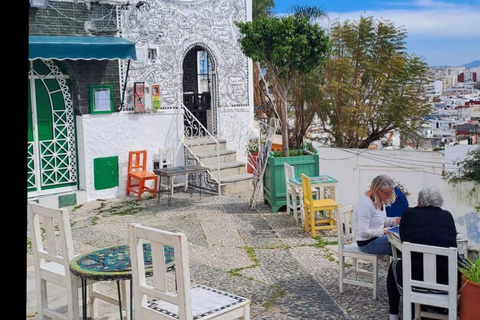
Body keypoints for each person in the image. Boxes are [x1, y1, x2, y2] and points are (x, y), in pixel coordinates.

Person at [386, 187, 459, 320]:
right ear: (439, 202)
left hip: (413, 280)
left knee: (394, 266)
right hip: (445, 282)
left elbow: (403, 238)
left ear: (419, 201)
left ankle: (393, 316)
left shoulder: (408, 214)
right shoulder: (447, 216)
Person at [354, 175, 400, 256]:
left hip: (379, 237)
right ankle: (402, 267)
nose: (389, 196)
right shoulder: (365, 204)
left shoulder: (380, 199)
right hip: (367, 243)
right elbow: (363, 232)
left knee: (404, 242)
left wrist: (395, 221)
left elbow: (379, 220)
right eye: (387, 193)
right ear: (377, 190)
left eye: (391, 192)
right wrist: (383, 231)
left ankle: (403, 266)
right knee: (400, 246)